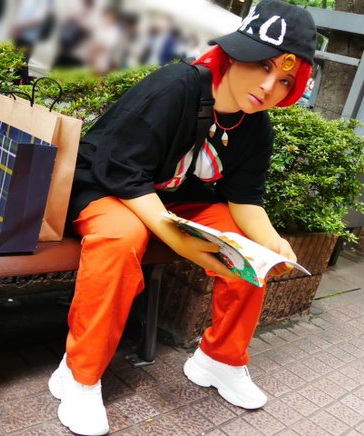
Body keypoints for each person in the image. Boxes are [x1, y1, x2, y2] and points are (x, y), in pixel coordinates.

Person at [47, 1, 317, 435]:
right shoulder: (175, 86)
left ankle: (219, 359)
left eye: (285, 80)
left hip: (173, 198)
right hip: (107, 183)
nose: (269, 87)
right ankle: (79, 374)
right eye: (263, 66)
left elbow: (245, 199)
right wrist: (176, 238)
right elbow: (121, 168)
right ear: (235, 54)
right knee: (120, 237)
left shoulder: (256, 126)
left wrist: (272, 241)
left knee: (251, 249)